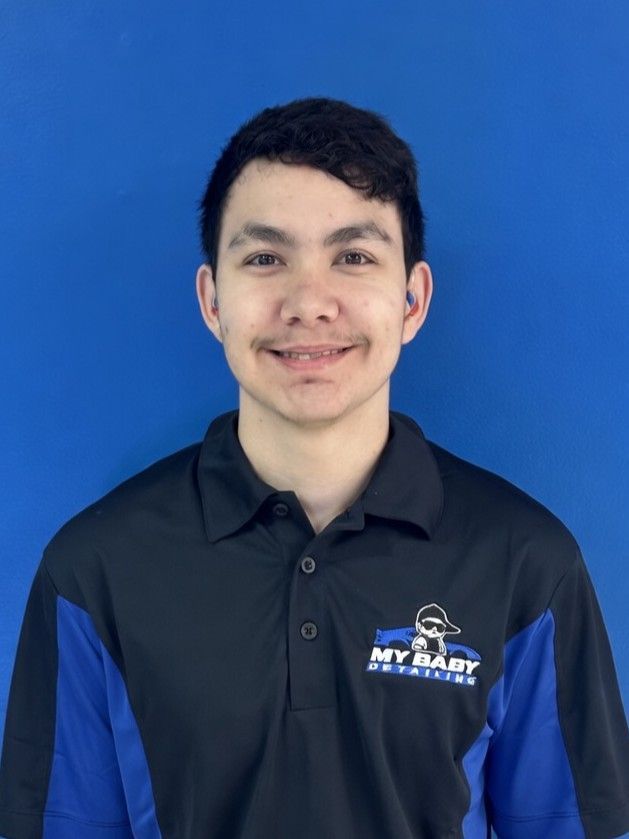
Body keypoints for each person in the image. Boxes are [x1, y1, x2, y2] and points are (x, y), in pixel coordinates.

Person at [0, 96, 627, 839]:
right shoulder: (94, 570)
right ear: (212, 301)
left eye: (352, 256)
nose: (308, 302)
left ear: (412, 301)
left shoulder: (526, 563)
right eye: (264, 258)